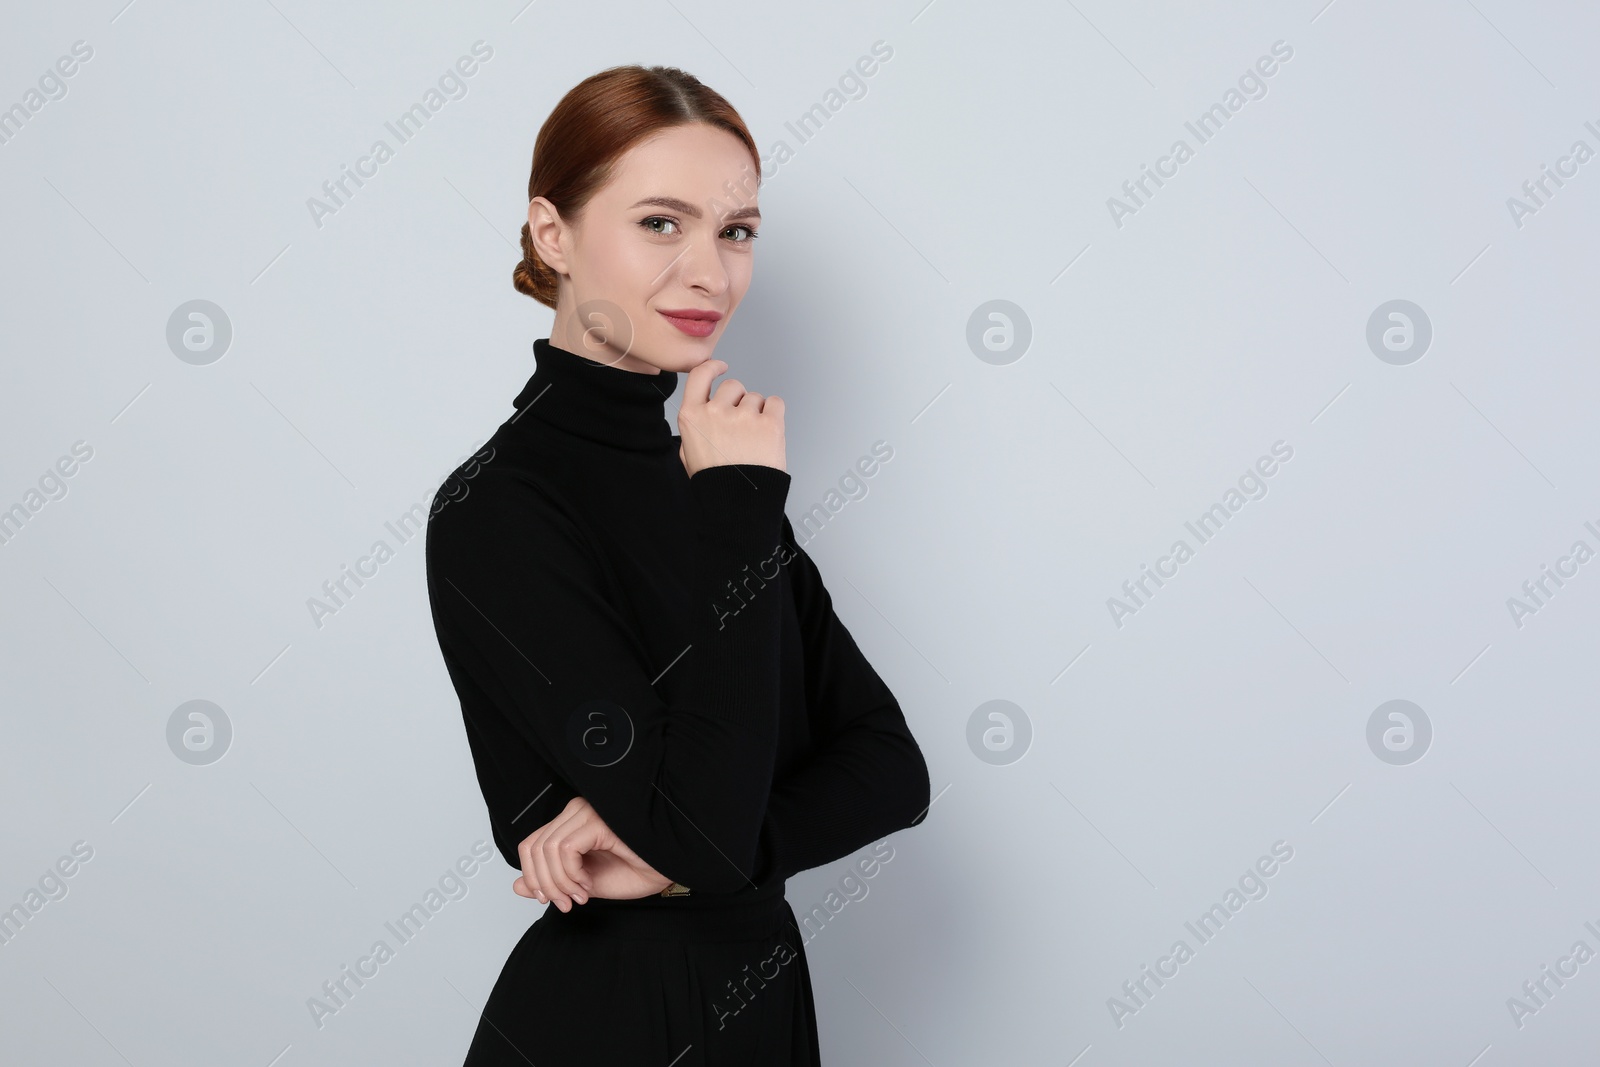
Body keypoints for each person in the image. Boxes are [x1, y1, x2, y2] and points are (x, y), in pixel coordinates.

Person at [424, 63, 931, 1066]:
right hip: (612, 1016)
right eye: (661, 221)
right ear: (552, 233)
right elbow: (700, 829)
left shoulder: (714, 479)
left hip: (759, 996)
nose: (711, 271)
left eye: (735, 229)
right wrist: (692, 853)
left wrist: (668, 862)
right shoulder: (501, 508)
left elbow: (889, 769)